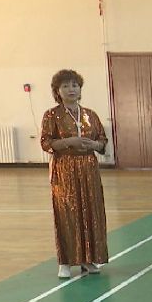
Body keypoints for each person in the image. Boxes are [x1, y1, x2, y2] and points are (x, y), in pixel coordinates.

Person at [40, 69, 110, 278]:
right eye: (65, 86)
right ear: (57, 91)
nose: (71, 89)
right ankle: (66, 261)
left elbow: (102, 140)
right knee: (67, 213)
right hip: (65, 169)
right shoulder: (52, 115)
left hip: (88, 168)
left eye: (75, 85)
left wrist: (95, 145)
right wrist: (69, 142)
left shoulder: (90, 114)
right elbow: (46, 142)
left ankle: (89, 259)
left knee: (91, 211)